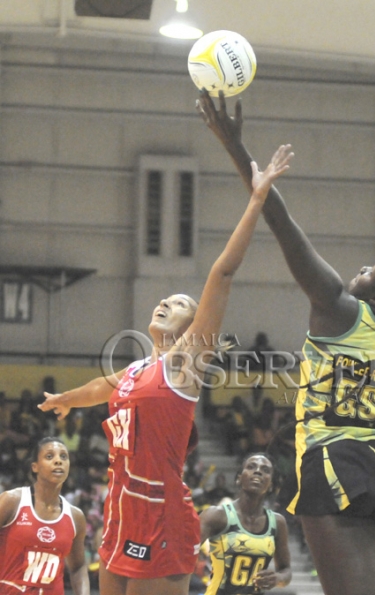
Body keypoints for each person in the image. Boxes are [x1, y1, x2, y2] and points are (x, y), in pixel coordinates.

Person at [196, 90, 375, 595]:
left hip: (332, 462)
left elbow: (282, 224)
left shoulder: (338, 307)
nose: (361, 270)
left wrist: (235, 147)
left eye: (371, 270)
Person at [38, 144, 293, 595]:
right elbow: (102, 385)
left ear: (194, 325)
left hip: (160, 508)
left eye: (177, 304)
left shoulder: (186, 363)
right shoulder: (139, 367)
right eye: (163, 300)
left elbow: (222, 274)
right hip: (119, 503)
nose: (164, 303)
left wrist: (256, 201)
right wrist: (65, 400)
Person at [0, 436, 89, 594]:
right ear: (35, 467)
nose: (58, 461)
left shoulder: (76, 517)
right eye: (49, 456)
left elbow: (78, 567)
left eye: (63, 456)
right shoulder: (12, 501)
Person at [200, 453, 292, 594]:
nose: (258, 471)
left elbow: (286, 570)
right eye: (251, 466)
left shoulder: (277, 522)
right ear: (239, 478)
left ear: (271, 484)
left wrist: (278, 578)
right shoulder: (215, 515)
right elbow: (183, 554)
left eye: (265, 470)